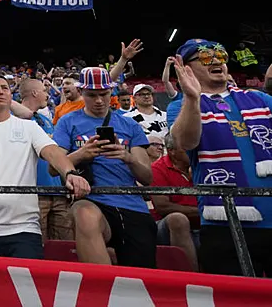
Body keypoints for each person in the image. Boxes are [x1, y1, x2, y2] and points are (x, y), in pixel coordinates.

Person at [0, 73, 89, 259]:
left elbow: (52, 152)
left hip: (25, 228)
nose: (0, 91)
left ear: (10, 96)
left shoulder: (29, 128)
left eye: (4, 88)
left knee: (27, 286)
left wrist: (70, 172)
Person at [169, 39, 272, 276]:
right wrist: (193, 99)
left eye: (221, 56)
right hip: (225, 225)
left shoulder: (259, 99)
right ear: (186, 68)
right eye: (205, 57)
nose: (216, 61)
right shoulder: (181, 106)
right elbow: (185, 143)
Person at [53, 67, 156, 268]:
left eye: (104, 94)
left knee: (141, 277)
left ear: (111, 93)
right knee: (84, 214)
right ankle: (101, 291)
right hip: (92, 199)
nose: (99, 100)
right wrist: (82, 153)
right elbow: (52, 168)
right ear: (82, 93)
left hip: (131, 204)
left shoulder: (130, 125)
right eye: (92, 95)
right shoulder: (67, 122)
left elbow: (147, 178)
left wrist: (127, 157)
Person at [15, 78, 75, 241]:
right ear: (34, 93)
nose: (48, 95)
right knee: (37, 245)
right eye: (44, 91)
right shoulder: (13, 120)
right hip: (34, 194)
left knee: (65, 246)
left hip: (58, 192)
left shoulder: (47, 120)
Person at [151, 134, 199, 271]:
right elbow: (162, 207)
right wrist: (201, 211)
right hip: (164, 226)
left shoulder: (201, 165)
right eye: (186, 148)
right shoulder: (158, 168)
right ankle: (193, 280)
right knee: (178, 219)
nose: (192, 151)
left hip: (203, 223)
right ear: (171, 151)